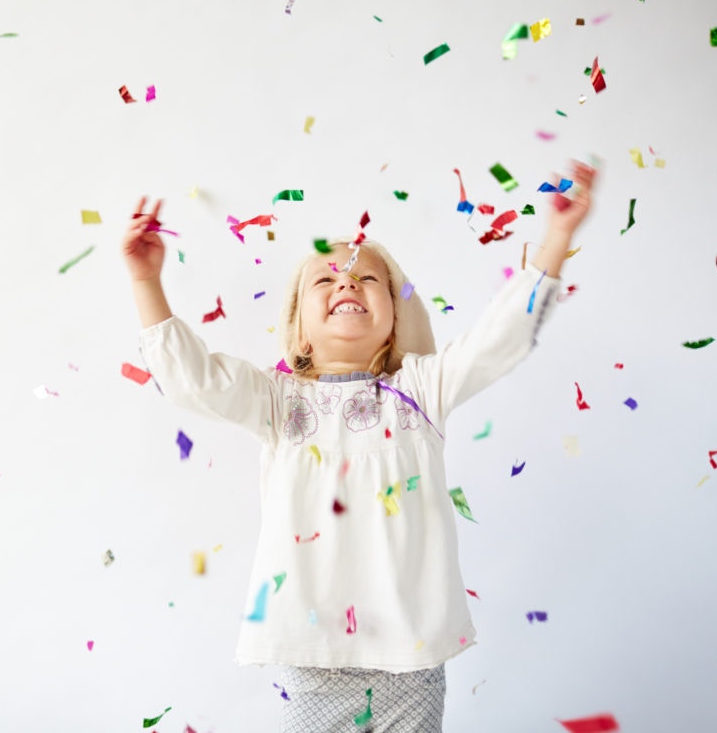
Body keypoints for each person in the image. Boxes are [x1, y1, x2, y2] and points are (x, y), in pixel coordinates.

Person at [121, 160, 596, 732]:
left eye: (367, 278)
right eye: (326, 278)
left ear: (395, 319)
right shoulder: (276, 402)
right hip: (312, 657)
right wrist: (147, 281)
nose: (346, 281)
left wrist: (557, 238)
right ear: (299, 330)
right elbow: (192, 379)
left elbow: (500, 338)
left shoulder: (422, 389)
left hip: (411, 659)